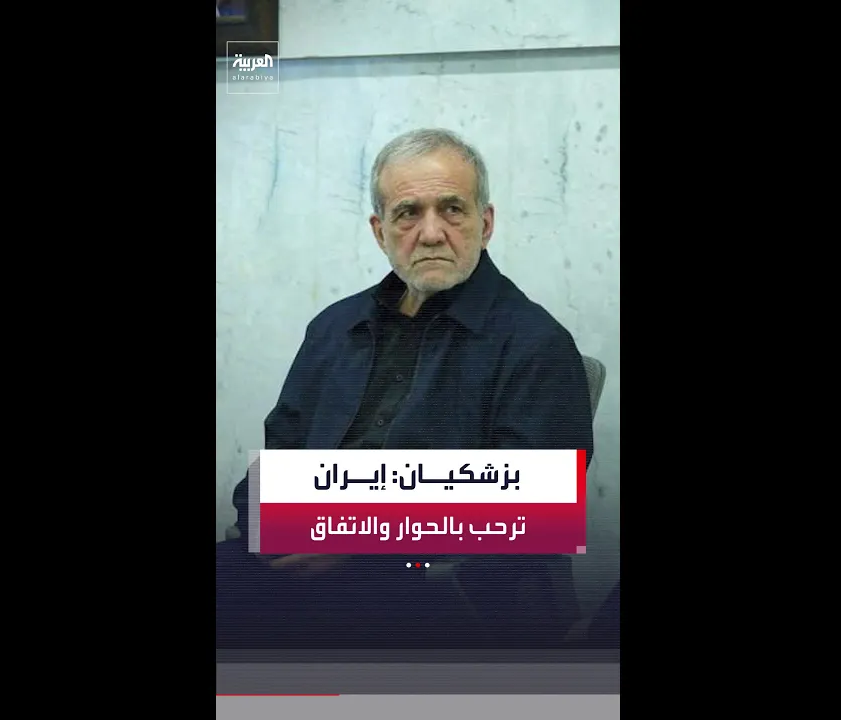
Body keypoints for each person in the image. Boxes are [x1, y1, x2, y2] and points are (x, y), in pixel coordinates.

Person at [216, 128, 595, 648]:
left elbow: (535, 508)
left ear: (485, 224)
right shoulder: (334, 327)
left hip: (435, 580)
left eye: (452, 210)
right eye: (408, 213)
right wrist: (271, 532)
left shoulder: (536, 343)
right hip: (298, 563)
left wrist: (358, 542)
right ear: (381, 231)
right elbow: (270, 471)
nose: (432, 233)